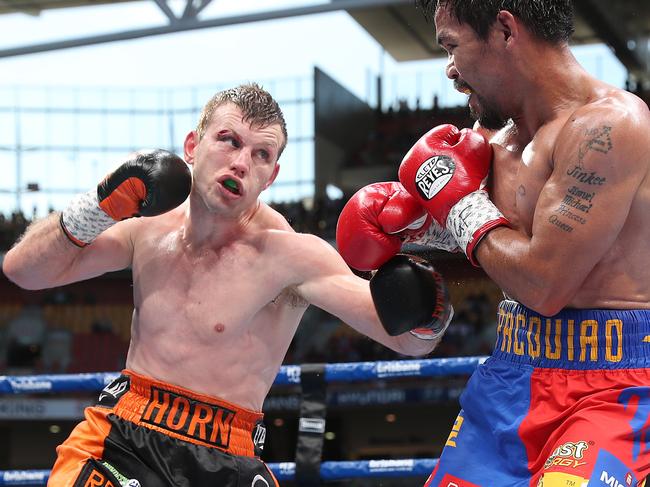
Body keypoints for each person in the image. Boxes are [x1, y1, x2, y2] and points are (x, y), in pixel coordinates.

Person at [2, 83, 452, 486]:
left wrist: (422, 296)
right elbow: (24, 270)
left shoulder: (290, 255)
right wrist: (99, 205)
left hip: (227, 457)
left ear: (271, 176)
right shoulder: (149, 228)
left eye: (261, 155)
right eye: (229, 140)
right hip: (123, 438)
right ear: (193, 146)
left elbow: (413, 342)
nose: (241, 162)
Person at [336, 1, 650, 485]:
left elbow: (544, 286)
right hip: (510, 377)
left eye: (452, 46)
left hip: (610, 390)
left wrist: (458, 207)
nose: (449, 69)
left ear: (505, 28)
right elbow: (498, 251)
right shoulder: (489, 144)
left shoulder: (609, 127)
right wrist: (417, 232)